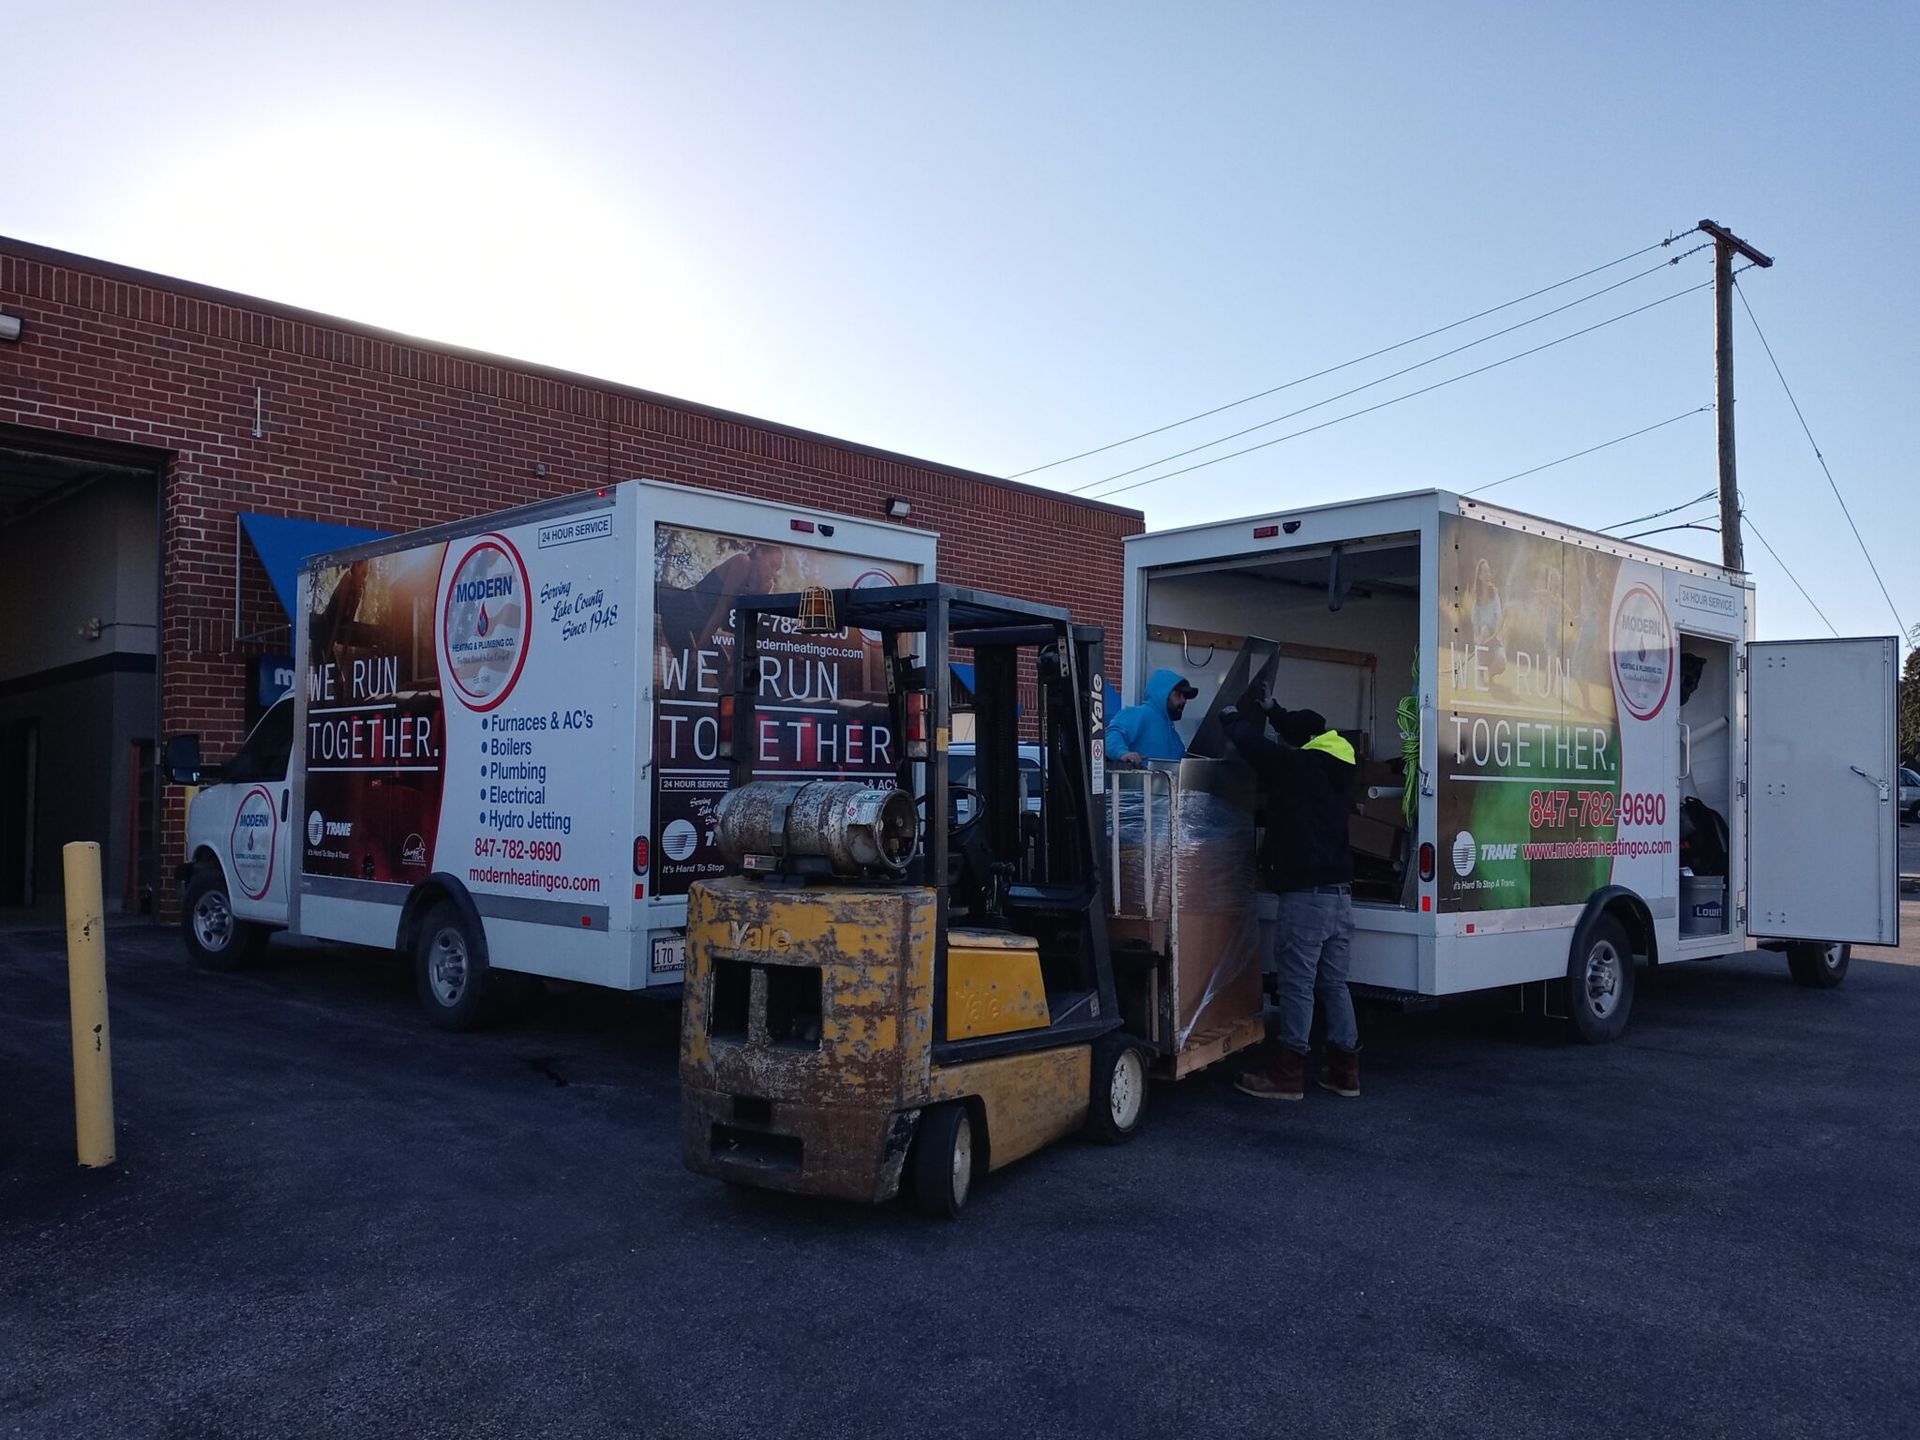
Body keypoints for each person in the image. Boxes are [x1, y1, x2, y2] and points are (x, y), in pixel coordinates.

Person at [1224, 685, 1361, 1101]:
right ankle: (1345, 1071)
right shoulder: (1336, 762)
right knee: (1334, 985)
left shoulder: (1300, 766)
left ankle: (1287, 1073)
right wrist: (1274, 709)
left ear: (1299, 745)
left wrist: (1231, 717)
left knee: (1297, 984)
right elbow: (1296, 735)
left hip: (1307, 896)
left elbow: (1260, 750)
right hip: (1340, 896)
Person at [1105, 668, 1198, 764]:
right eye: (1178, 695)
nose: (1184, 701)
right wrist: (1122, 753)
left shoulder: (1175, 739)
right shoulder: (1138, 714)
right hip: (1137, 779)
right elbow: (1111, 736)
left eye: (1185, 697)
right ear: (1162, 694)